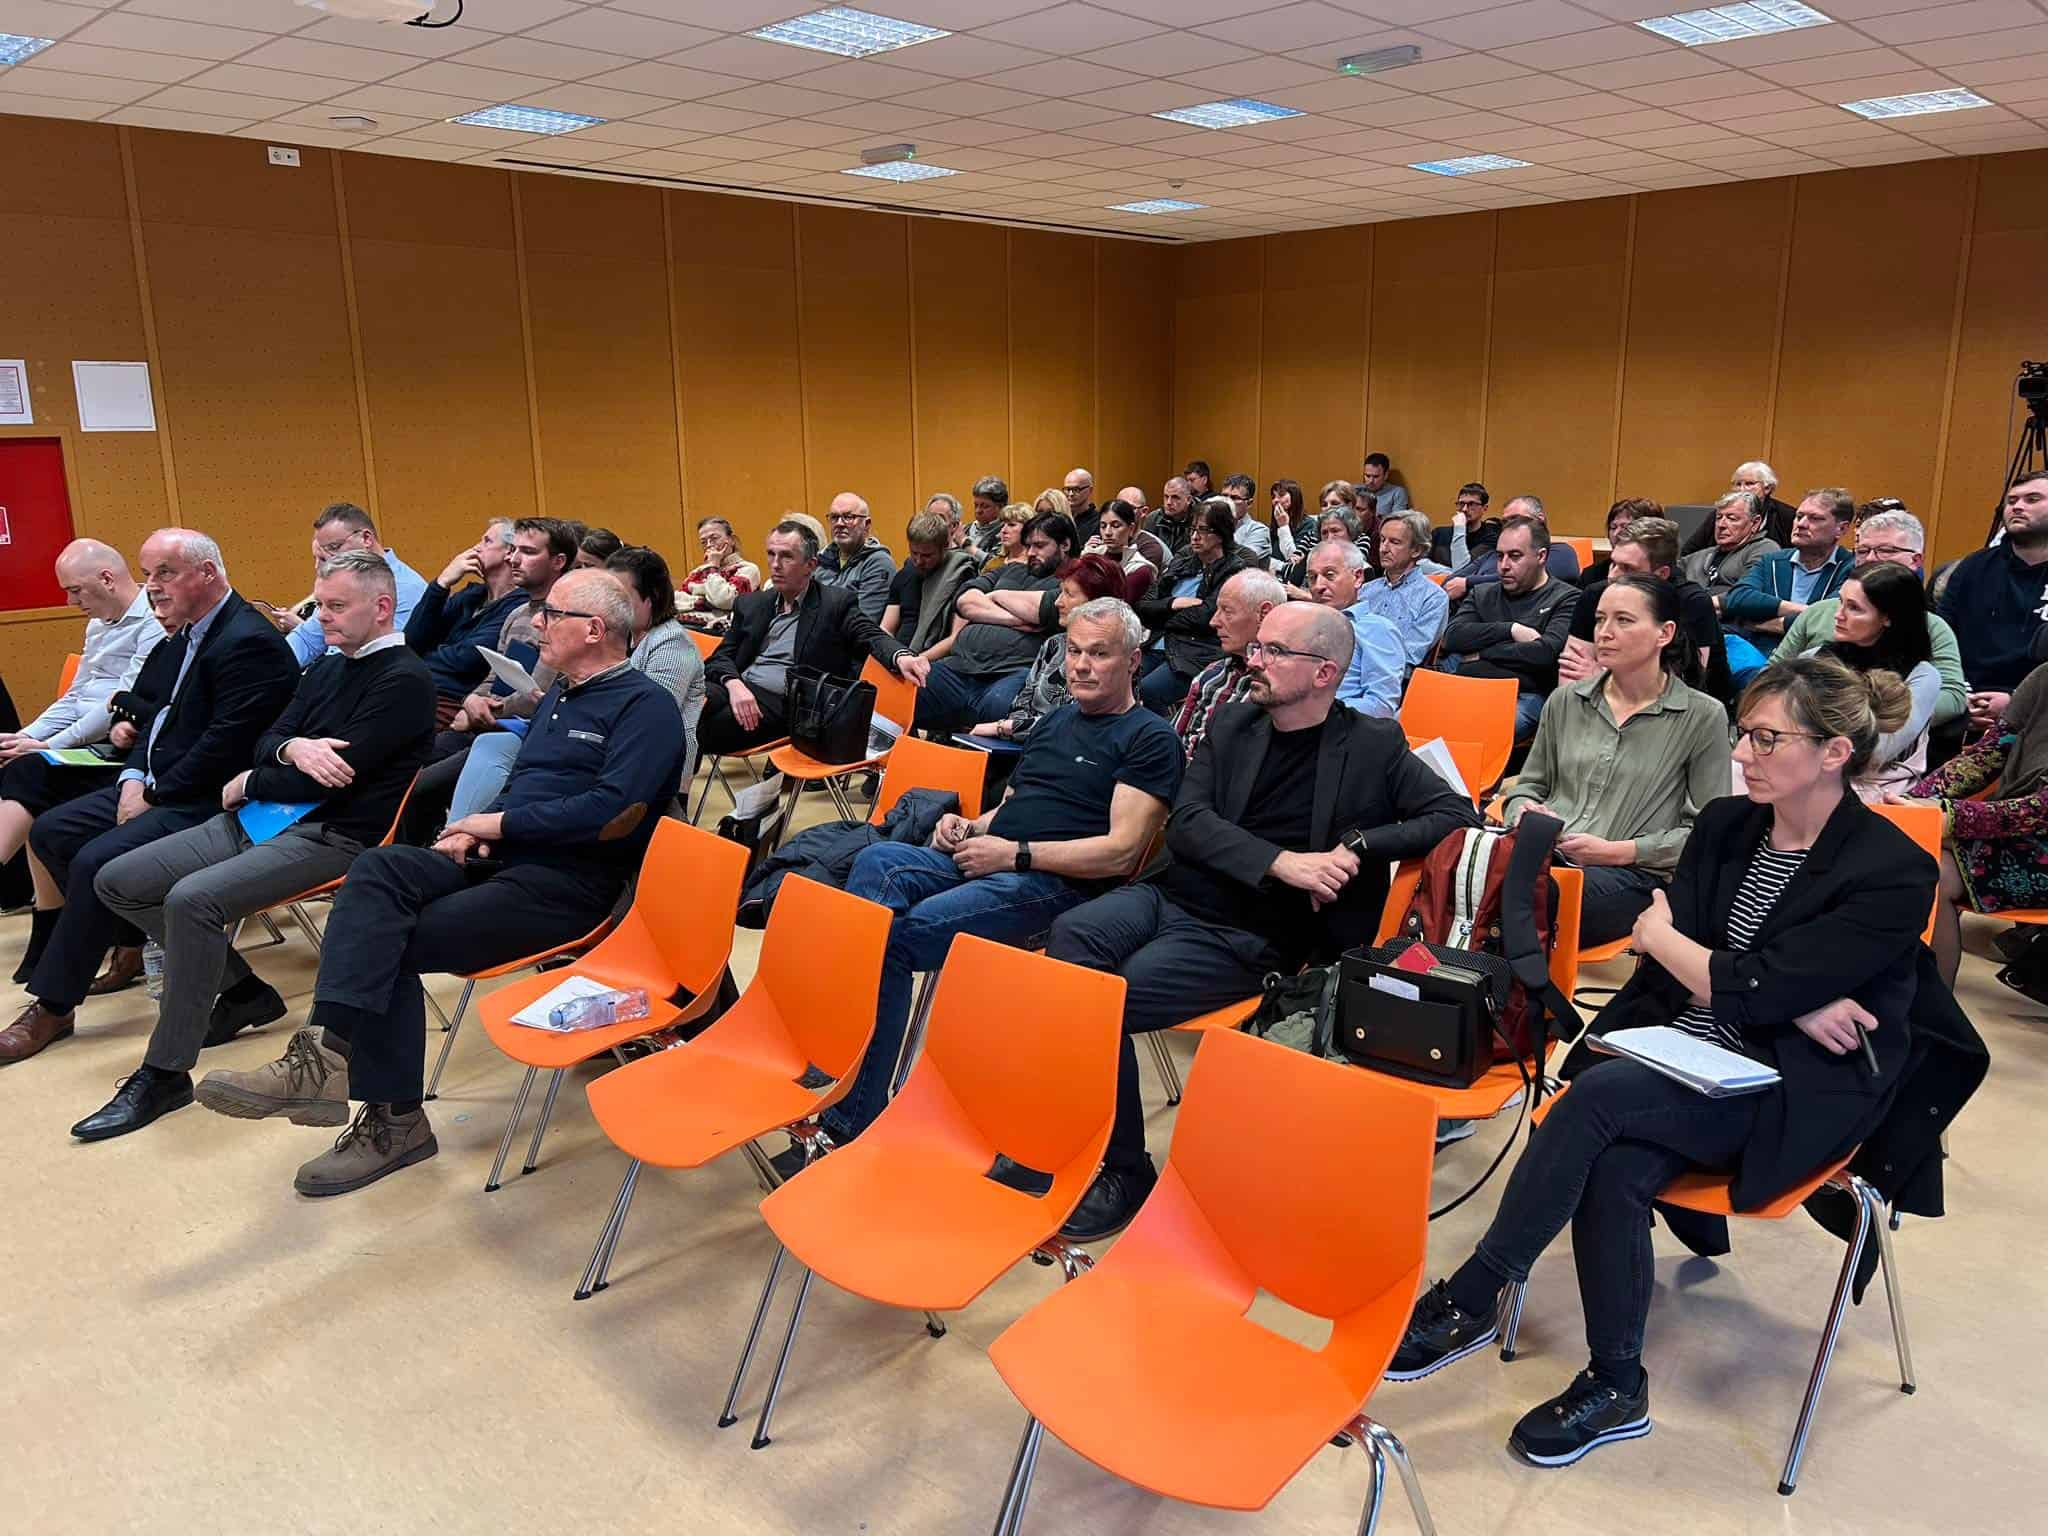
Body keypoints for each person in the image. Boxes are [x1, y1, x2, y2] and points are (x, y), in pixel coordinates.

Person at [1389, 655, 1934, 1469]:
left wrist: (1724, 968)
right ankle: (1618, 1385)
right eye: (1743, 733)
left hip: (1790, 1086)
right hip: (1681, 1052)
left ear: (1833, 753)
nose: (1742, 753)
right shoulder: (1726, 825)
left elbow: (1700, 955)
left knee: (1601, 1099)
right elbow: (1707, 964)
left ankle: (1473, 1293)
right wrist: (1778, 989)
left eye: (1766, 738)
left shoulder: (1892, 868)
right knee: (1615, 1165)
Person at [192, 571, 690, 1195]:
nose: (536, 623)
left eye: (550, 614)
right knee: (378, 869)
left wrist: (498, 824)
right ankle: (318, 1060)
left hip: (569, 885)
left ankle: (393, 1120)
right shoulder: (561, 697)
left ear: (593, 630)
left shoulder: (645, 706)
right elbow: (527, 783)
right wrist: (479, 830)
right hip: (500, 859)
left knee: (388, 941)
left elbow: (615, 813)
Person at [1047, 599, 1479, 1237]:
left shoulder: (1372, 744)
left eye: (1274, 651)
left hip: (1255, 933)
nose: (1255, 660)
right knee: (1068, 944)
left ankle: (1124, 1170)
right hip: (1175, 895)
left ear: (1324, 672)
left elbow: (1456, 814)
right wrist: (1282, 862)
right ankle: (1076, 1144)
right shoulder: (1234, 723)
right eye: (1257, 647)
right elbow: (1188, 823)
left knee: (1111, 996)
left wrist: (1358, 846)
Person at [77, 551, 437, 1139]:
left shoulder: (404, 680)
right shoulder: (328, 666)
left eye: (336, 606)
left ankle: (165, 1072)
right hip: (263, 818)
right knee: (118, 879)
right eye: (320, 604)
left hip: (334, 835)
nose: (321, 617)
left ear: (381, 608)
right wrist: (291, 750)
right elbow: (268, 737)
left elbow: (331, 780)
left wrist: (253, 780)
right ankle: (242, 990)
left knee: (191, 901)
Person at [820, 597, 1182, 1156]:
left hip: (1057, 887)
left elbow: (1120, 852)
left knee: (891, 940)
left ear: (1134, 661)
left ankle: (850, 1110)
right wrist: (967, 826)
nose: (1081, 666)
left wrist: (1015, 854)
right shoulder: (1056, 721)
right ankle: (850, 1059)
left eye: (1099, 654)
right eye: (1074, 652)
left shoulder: (1148, 738)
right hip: (994, 855)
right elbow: (1010, 807)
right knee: (876, 864)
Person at [0, 530, 298, 1065]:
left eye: (165, 573)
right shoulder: (181, 638)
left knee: (96, 861)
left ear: (207, 574)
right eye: (148, 574)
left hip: (213, 799)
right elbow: (146, 719)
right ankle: (226, 982)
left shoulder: (248, 641)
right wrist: (133, 779)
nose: (152, 586)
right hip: (158, 783)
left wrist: (154, 793)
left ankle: (53, 1007)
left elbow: (223, 749)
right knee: (52, 831)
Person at [1506, 577, 1730, 944]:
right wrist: (1523, 810)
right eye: (1600, 620)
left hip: (1634, 873)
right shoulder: (1565, 700)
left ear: (1665, 633)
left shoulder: (1703, 716)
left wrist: (1616, 851)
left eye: (1623, 620)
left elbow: (1708, 833)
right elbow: (1528, 786)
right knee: (1458, 866)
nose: (1604, 633)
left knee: (1530, 899)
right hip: (1545, 855)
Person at [0, 539, 165, 982]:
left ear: (106, 579)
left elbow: (118, 704)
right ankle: (48, 923)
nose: (71, 602)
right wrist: (26, 736)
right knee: (22, 770)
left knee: (30, 772)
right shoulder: (97, 625)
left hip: (121, 752)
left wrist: (49, 748)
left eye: (75, 590)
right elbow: (76, 697)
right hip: (87, 747)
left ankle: (51, 927)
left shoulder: (153, 622)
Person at [448, 545, 704, 823]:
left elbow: (638, 726)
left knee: (488, 751)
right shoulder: (591, 661)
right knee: (484, 749)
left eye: (619, 594)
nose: (609, 601)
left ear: (650, 599)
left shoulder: (668, 649)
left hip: (630, 777)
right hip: (572, 769)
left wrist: (498, 825)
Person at [700, 521, 928, 757]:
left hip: (788, 704)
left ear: (810, 565)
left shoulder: (834, 604)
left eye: (786, 556)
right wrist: (734, 684)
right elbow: (719, 659)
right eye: (771, 554)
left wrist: (901, 656)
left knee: (699, 727)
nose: (775, 564)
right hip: (738, 689)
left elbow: (870, 634)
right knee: (688, 704)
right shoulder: (752, 604)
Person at [1900, 660, 2048, 990]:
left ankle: (1931, 1008)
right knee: (1903, 848)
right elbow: (1984, 756)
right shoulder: (2043, 677)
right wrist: (1908, 802)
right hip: (2012, 832)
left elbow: (2041, 810)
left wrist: (1949, 816)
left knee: (1928, 871)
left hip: (2034, 842)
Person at [1773, 506, 1966, 727]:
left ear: (1915, 560)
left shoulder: (1932, 627)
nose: (1872, 559)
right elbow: (1774, 673)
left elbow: (1952, 698)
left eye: (1886, 550)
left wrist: (1868, 716)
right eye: (1863, 551)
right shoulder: (1818, 613)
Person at [913, 512, 1074, 733]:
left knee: (1000, 707)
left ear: (1065, 545)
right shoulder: (1012, 568)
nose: (1030, 553)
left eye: (1039, 546)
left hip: (1013, 672)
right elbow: (964, 600)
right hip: (959, 666)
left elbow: (1044, 609)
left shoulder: (1071, 583)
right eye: (1028, 546)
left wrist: (995, 596)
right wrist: (1014, 618)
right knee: (902, 690)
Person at [1797, 563, 1938, 801]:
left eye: (1854, 608)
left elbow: (1876, 752)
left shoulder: (1922, 676)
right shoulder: (1813, 658)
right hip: (1803, 771)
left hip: (1873, 785)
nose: (1838, 615)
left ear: (1888, 618)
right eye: (1840, 602)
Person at [1562, 516, 1732, 704]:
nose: (1613, 576)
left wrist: (1600, 677)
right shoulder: (1595, 594)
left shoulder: (1691, 602)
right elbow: (1569, 675)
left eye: (1627, 568)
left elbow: (1680, 688)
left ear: (1661, 574)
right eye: (1613, 563)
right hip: (1605, 704)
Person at [1439, 515, 1580, 738]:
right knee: (1407, 720)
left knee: (1476, 731)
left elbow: (1545, 653)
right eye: (1500, 556)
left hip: (1522, 695)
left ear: (1541, 556)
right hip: (1465, 686)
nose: (1503, 566)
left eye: (1515, 556)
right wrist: (1510, 630)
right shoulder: (1483, 593)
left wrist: (1482, 652)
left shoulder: (1567, 598)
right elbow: (1453, 637)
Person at [968, 554, 1132, 744]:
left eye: (1068, 594)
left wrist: (1003, 728)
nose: (1057, 602)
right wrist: (1012, 729)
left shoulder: (1116, 656)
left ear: (1096, 602)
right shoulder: (1054, 644)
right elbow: (1022, 703)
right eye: (1060, 592)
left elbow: (1077, 721)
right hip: (1027, 742)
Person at [1937, 470, 2048, 736]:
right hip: (1966, 704)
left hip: (2039, 713)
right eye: (2012, 501)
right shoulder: (1973, 567)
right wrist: (1960, 697)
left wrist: (2017, 701)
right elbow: (1941, 639)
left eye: (2032, 499)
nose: (2017, 507)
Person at [264, 503, 429, 667]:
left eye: (334, 547)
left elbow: (383, 657)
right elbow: (307, 639)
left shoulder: (408, 588)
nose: (330, 559)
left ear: (366, 538)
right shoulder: (339, 581)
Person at [403, 518, 529, 722]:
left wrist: (413, 662)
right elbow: (412, 641)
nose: (476, 547)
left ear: (510, 551)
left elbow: (464, 660)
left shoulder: (519, 605)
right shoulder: (471, 596)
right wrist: (442, 583)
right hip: (425, 690)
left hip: (456, 701)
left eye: (487, 541)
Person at [1721, 487, 1856, 675]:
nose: (1801, 524)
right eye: (1799, 516)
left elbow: (1827, 621)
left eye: (1815, 518)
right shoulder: (1772, 560)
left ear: (1841, 528)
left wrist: (1758, 622)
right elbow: (1738, 597)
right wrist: (1806, 611)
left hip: (1813, 667)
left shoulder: (1850, 568)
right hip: (1757, 656)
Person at [1133, 499, 1247, 713]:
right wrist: (1173, 603)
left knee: (1149, 690)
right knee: (1121, 678)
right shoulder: (1183, 562)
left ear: (1221, 533)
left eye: (1203, 530)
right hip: (1158, 644)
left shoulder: (1232, 570)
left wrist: (1161, 616)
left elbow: (1205, 617)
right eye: (1192, 529)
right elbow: (1143, 607)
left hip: (1195, 652)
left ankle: (1166, 733)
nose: (1194, 536)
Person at [1172, 567, 1283, 761]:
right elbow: (1172, 741)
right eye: (1217, 610)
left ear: (1264, 613)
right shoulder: (1212, 674)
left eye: (1227, 611)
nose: (1213, 621)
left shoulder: (1281, 689)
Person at [1304, 539, 1405, 718]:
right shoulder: (1302, 624)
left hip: (1337, 726)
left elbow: (1381, 706)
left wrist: (1314, 712)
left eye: (1329, 575)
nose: (1318, 586)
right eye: (1312, 578)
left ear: (1357, 578)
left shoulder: (1377, 630)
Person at [881, 508, 981, 657]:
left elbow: (957, 637)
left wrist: (916, 661)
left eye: (927, 555)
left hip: (935, 660)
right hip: (898, 656)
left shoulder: (961, 574)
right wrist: (893, 656)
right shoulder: (905, 574)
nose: (919, 561)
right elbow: (886, 629)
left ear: (945, 546)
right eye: (914, 553)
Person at [1359, 509, 1451, 670]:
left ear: (1417, 550)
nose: (1383, 548)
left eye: (1394, 542)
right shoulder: (1365, 590)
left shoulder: (1433, 598)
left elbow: (1409, 655)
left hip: (1392, 676)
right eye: (1382, 540)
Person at [1443, 494, 1578, 602]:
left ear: (1539, 520)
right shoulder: (1492, 555)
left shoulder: (1560, 551)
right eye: (1505, 521)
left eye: (1515, 518)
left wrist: (1468, 583)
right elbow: (1450, 582)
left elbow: (1525, 578)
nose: (1509, 525)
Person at [1678, 490, 1779, 606]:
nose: (1721, 525)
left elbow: (1749, 594)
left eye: (1732, 518)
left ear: (1755, 523)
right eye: (1718, 518)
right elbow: (1668, 572)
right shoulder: (1700, 556)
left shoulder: (1764, 549)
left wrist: (1702, 604)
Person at [1681, 459, 1798, 554]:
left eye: (1749, 484)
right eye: (1737, 484)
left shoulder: (1787, 516)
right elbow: (1689, 551)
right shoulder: (1721, 514)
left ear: (1767, 488)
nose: (1742, 490)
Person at [814, 492, 894, 623]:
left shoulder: (878, 563)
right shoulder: (821, 560)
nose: (839, 523)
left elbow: (862, 622)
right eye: (834, 517)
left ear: (866, 524)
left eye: (848, 517)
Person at [677, 516, 759, 631]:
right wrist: (708, 602)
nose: (709, 545)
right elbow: (676, 601)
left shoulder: (748, 569)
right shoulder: (697, 572)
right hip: (688, 628)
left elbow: (724, 600)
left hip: (723, 632)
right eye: (703, 542)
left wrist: (713, 566)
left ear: (732, 540)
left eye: (714, 538)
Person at [1083, 497, 1158, 603]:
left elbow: (1115, 604)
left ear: (1131, 529)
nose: (1108, 532)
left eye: (1115, 526)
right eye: (1103, 526)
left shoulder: (1139, 568)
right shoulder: (1090, 555)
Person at [1283, 507, 1364, 599]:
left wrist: (1305, 596)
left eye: (1335, 531)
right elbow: (1290, 586)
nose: (1329, 538)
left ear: (1350, 532)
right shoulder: (1310, 559)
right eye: (1324, 533)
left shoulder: (1362, 567)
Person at [1581, 498, 1661, 587]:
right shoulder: (1591, 575)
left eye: (1625, 527)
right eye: (1613, 527)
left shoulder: (1669, 579)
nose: (1616, 534)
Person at [1431, 482, 1495, 569]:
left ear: (1485, 508)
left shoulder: (1490, 538)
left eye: (1471, 504)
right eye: (1461, 504)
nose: (1464, 509)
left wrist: (1459, 528)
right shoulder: (1438, 533)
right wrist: (1449, 572)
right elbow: (1419, 563)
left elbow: (1463, 569)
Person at [1220, 474, 1271, 564]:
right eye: (1224, 496)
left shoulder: (1259, 530)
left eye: (1234, 498)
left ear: (1249, 503)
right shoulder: (1211, 525)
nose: (1227, 502)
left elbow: (1241, 562)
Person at [1145, 475, 1197, 559]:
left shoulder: (1199, 519)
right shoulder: (1153, 519)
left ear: (1188, 500)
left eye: (1175, 497)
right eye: (1166, 496)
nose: (1169, 502)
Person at [965, 474, 1010, 562]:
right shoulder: (966, 529)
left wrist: (965, 544)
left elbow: (994, 563)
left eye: (985, 506)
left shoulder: (1006, 532)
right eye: (976, 505)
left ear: (1001, 507)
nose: (978, 510)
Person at [980, 502, 1032, 576]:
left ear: (1028, 528)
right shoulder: (993, 564)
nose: (1003, 530)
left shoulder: (1036, 563)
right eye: (1003, 525)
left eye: (1011, 525)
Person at [1267, 478, 1308, 568]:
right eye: (1273, 497)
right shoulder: (1271, 528)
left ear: (1294, 497)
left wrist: (1283, 527)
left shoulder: (1308, 524)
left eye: (1281, 495)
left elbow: (1294, 561)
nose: (1275, 500)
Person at [1360, 452, 1409, 517]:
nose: (1371, 481)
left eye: (1376, 476)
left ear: (1386, 475)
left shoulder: (1397, 493)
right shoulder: (1356, 490)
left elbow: (1397, 520)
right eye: (1368, 476)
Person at [1062, 467, 1099, 546]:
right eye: (1067, 489)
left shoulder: (1099, 521)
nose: (1071, 494)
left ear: (1090, 490)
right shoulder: (1061, 519)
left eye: (1076, 489)